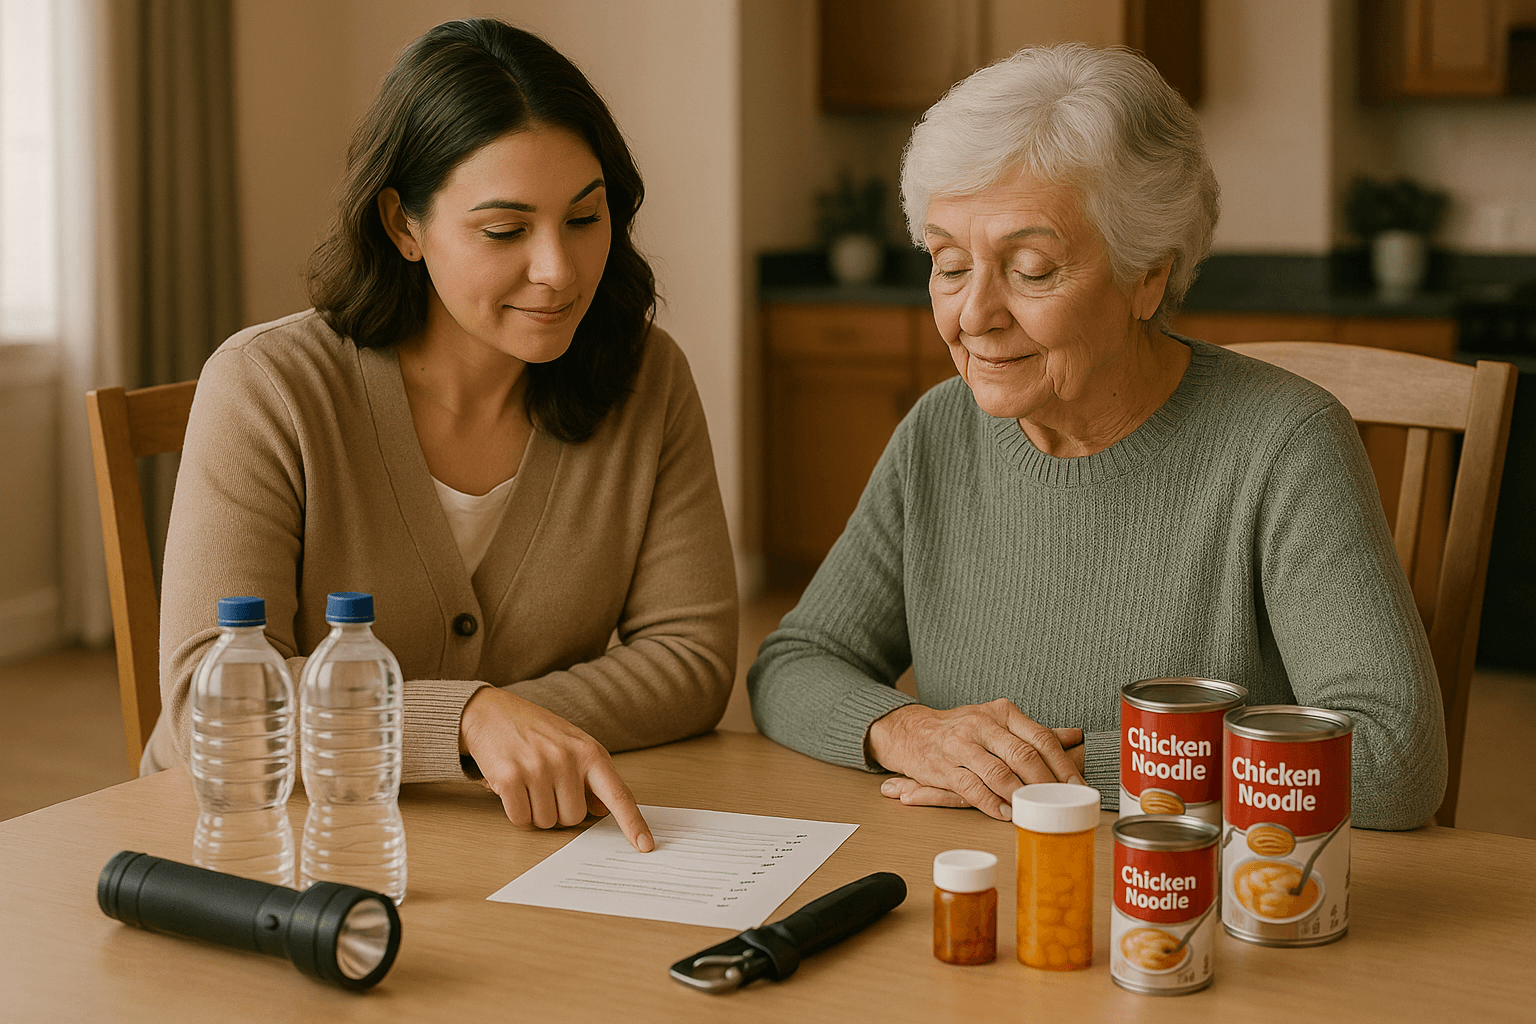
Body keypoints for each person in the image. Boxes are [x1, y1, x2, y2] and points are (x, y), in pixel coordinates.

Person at [747, 44, 1446, 831]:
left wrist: (1066, 773)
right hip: (967, 893)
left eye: (1032, 268)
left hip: (1188, 909)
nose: (973, 315)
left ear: (1148, 275)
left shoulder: (1285, 445)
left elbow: (1392, 759)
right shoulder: (938, 432)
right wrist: (910, 731)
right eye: (948, 263)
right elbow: (793, 664)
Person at [143, 19, 739, 853]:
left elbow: (692, 659)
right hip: (252, 837)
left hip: (504, 840)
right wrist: (463, 722)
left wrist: (502, 730)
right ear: (403, 226)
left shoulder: (647, 378)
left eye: (585, 217)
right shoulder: (266, 386)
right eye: (505, 231)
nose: (558, 271)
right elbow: (221, 699)